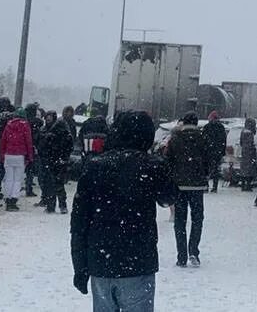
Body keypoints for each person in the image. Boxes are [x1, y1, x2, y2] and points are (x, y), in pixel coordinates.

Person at [71, 111, 176, 311]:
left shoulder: (94, 167)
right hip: (138, 262)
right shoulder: (151, 166)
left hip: (101, 262)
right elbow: (169, 197)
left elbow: (79, 223)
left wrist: (80, 266)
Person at [165, 112, 210, 267]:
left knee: (180, 220)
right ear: (196, 123)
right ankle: (194, 252)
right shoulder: (203, 139)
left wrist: (173, 176)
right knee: (197, 219)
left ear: (183, 123)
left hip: (179, 185)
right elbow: (209, 160)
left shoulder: (175, 139)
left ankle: (181, 256)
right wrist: (204, 174)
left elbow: (167, 161)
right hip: (197, 186)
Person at [37, 109, 72, 213]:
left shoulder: (60, 131)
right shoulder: (44, 130)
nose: (48, 120)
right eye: (47, 118)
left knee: (56, 184)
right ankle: (54, 206)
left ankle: (59, 205)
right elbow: (40, 145)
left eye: (50, 118)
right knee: (52, 184)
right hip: (49, 160)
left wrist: (63, 157)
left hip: (55, 160)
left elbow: (68, 145)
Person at [0, 108, 35, 211]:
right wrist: (30, 156)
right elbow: (28, 141)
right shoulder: (25, 125)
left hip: (8, 154)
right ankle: (13, 200)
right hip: (20, 155)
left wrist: (2, 155)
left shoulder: (8, 125)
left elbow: (3, 141)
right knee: (17, 179)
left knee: (8, 178)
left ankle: (7, 198)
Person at [201, 111, 227, 193]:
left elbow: (203, 140)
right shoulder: (221, 127)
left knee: (206, 169)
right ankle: (214, 186)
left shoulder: (207, 127)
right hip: (217, 152)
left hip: (207, 152)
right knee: (215, 169)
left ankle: (206, 186)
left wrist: (203, 149)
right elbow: (223, 140)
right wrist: (222, 151)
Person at [24, 102, 43, 197]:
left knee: (20, 169)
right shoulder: (37, 122)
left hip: (23, 146)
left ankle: (17, 187)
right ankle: (29, 187)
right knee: (31, 169)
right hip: (33, 146)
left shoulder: (24, 121)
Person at [238, 118, 257, 192]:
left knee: (244, 169)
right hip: (250, 153)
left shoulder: (243, 131)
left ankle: (243, 185)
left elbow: (241, 142)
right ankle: (248, 185)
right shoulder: (250, 133)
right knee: (250, 170)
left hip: (244, 153)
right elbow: (250, 144)